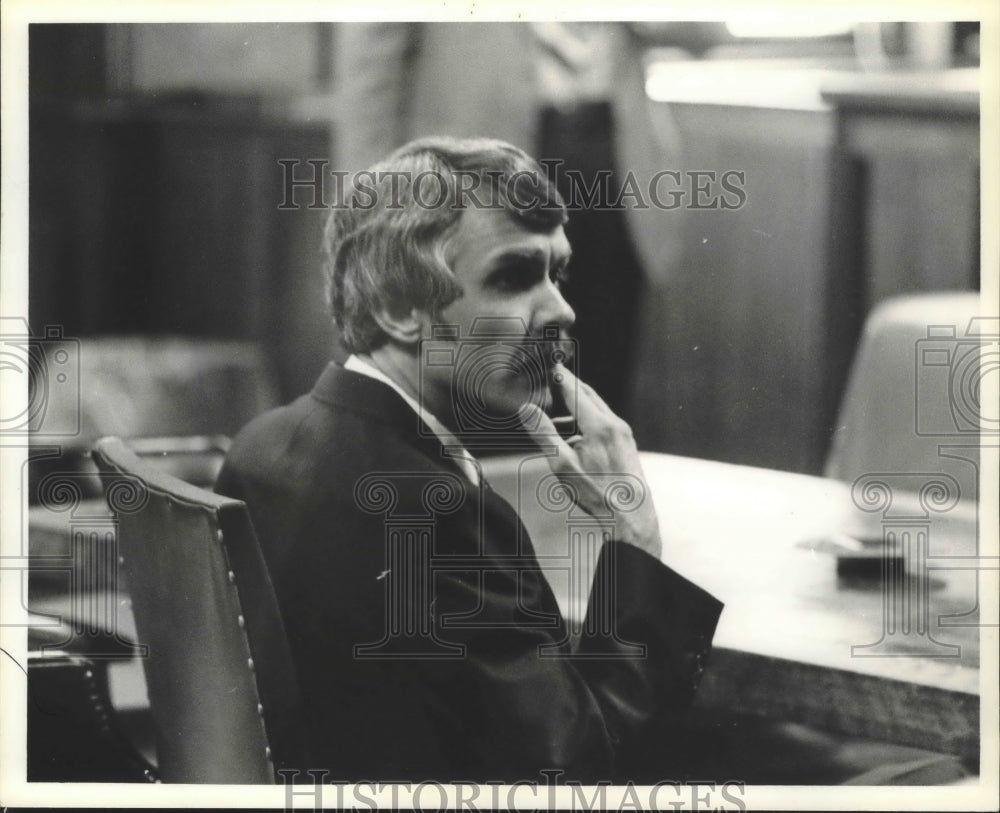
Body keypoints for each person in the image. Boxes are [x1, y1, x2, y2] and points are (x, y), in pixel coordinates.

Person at [216, 137, 722, 783]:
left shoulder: (260, 444)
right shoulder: (440, 510)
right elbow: (573, 774)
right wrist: (636, 538)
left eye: (556, 272)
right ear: (400, 308)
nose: (561, 310)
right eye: (513, 277)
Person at [333, 22, 709, 416]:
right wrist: (371, 216)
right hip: (474, 171)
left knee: (595, 400)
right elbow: (371, 64)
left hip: (613, 158)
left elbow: (706, 26)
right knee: (479, 407)